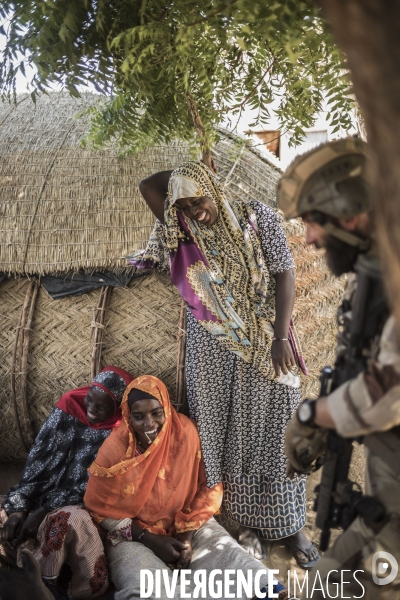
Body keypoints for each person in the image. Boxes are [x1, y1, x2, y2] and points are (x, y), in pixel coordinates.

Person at [131, 161, 318, 569]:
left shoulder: (257, 217)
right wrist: (184, 182)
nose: (197, 211)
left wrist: (280, 337)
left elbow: (284, 274)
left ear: (213, 188)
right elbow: (149, 185)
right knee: (223, 431)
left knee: (281, 427)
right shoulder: (184, 232)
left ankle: (291, 526)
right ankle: (245, 524)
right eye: (186, 205)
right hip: (213, 345)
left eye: (200, 200)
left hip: (270, 337)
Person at [278, 137, 400, 598]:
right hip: (386, 503)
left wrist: (312, 415)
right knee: (324, 584)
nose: (308, 238)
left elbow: (386, 393)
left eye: (312, 222)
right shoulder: (373, 276)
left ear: (349, 213)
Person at [84, 374, 288, 600]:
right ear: (128, 417)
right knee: (146, 587)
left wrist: (187, 538)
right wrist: (149, 539)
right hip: (133, 535)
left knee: (237, 565)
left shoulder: (185, 433)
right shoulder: (116, 449)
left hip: (189, 522)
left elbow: (208, 487)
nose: (149, 424)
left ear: (167, 410)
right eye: (139, 417)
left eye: (156, 413)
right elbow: (100, 510)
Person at [0, 365, 133, 599]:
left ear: (118, 407)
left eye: (101, 406)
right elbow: (37, 461)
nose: (91, 409)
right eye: (90, 400)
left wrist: (46, 510)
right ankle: (14, 569)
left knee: (70, 521)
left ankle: (45, 585)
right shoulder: (71, 405)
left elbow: (94, 486)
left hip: (82, 505)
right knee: (6, 513)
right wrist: (20, 507)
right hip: (39, 496)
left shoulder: (122, 433)